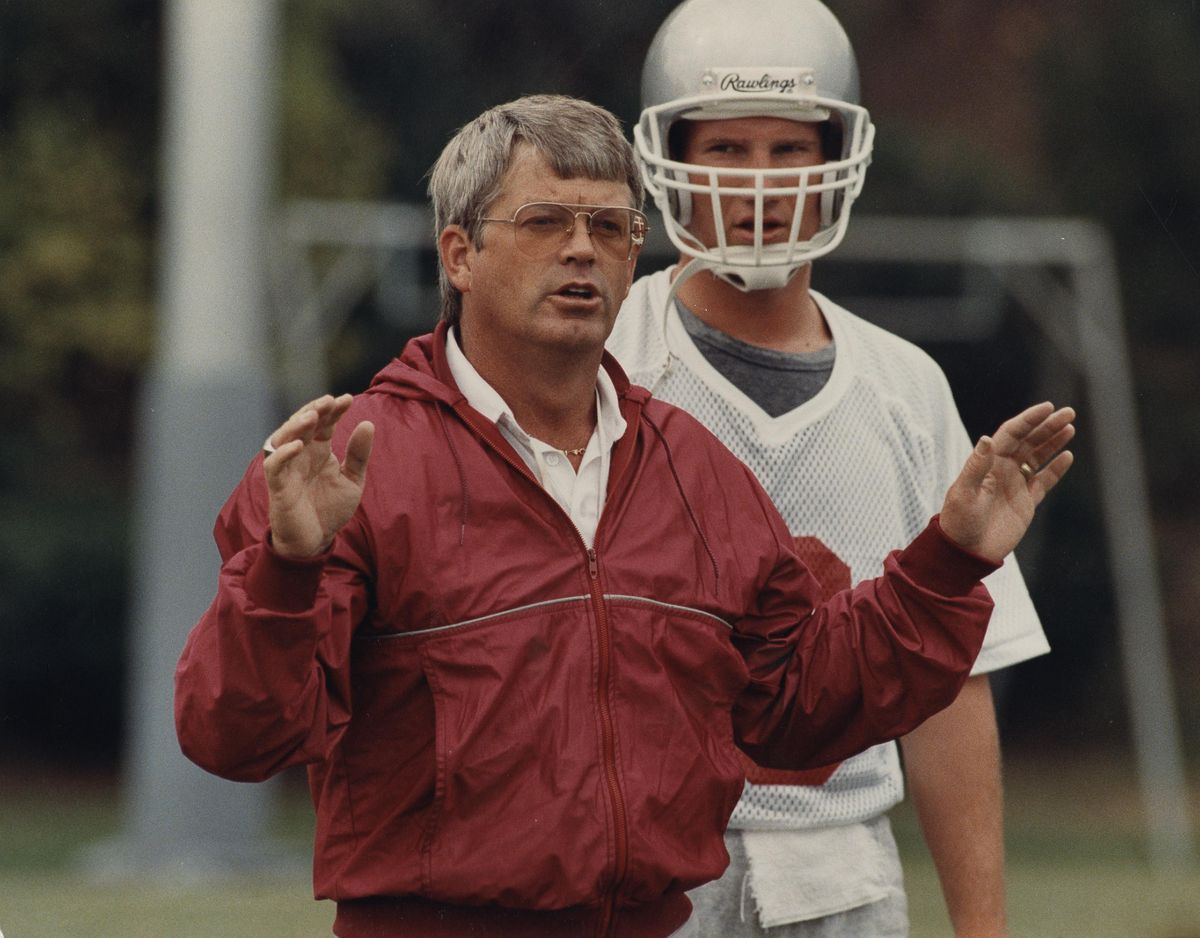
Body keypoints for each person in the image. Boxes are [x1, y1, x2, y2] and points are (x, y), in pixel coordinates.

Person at [174, 94, 1073, 938]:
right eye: (544, 222)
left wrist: (948, 562)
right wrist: (286, 573)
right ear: (458, 255)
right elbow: (237, 738)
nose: (582, 250)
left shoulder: (692, 468)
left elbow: (796, 706)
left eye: (609, 227)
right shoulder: (351, 466)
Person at [607, 1, 1054, 936]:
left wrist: (983, 927)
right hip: (628, 864)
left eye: (787, 149)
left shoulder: (904, 387)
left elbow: (950, 688)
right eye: (726, 149)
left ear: (836, 158)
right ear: (669, 158)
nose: (759, 183)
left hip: (840, 875)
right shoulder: (600, 362)